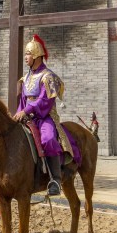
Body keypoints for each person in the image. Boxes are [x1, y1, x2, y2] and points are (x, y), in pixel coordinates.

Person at [15, 34, 73, 196]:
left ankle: (55, 179)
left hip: (45, 117)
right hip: (28, 118)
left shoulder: (49, 77)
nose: (26, 57)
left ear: (37, 57)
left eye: (28, 54)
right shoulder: (25, 78)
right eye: (26, 54)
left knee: (47, 139)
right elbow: (22, 101)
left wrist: (26, 111)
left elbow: (44, 101)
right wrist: (18, 114)